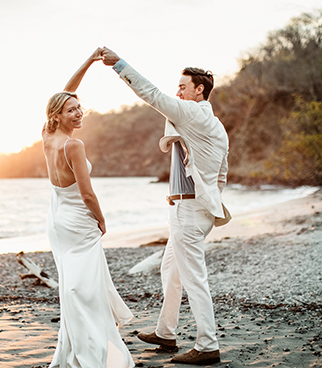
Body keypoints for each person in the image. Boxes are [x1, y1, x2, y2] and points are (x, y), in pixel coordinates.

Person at [101, 47, 229, 365]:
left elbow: (152, 94)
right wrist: (210, 202)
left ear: (200, 90)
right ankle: (165, 332)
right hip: (192, 208)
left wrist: (119, 64)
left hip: (188, 209)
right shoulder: (213, 124)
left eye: (183, 87)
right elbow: (222, 173)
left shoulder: (194, 113)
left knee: (192, 275)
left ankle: (207, 345)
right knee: (171, 270)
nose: (178, 92)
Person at [42, 48, 135, 368]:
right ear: (57, 115)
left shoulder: (47, 135)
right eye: (72, 110)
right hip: (78, 222)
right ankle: (95, 352)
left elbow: (64, 93)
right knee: (87, 289)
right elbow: (87, 194)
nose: (79, 112)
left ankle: (74, 347)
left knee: (72, 286)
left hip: (56, 220)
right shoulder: (73, 145)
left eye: (80, 108)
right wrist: (102, 219)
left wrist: (89, 62)